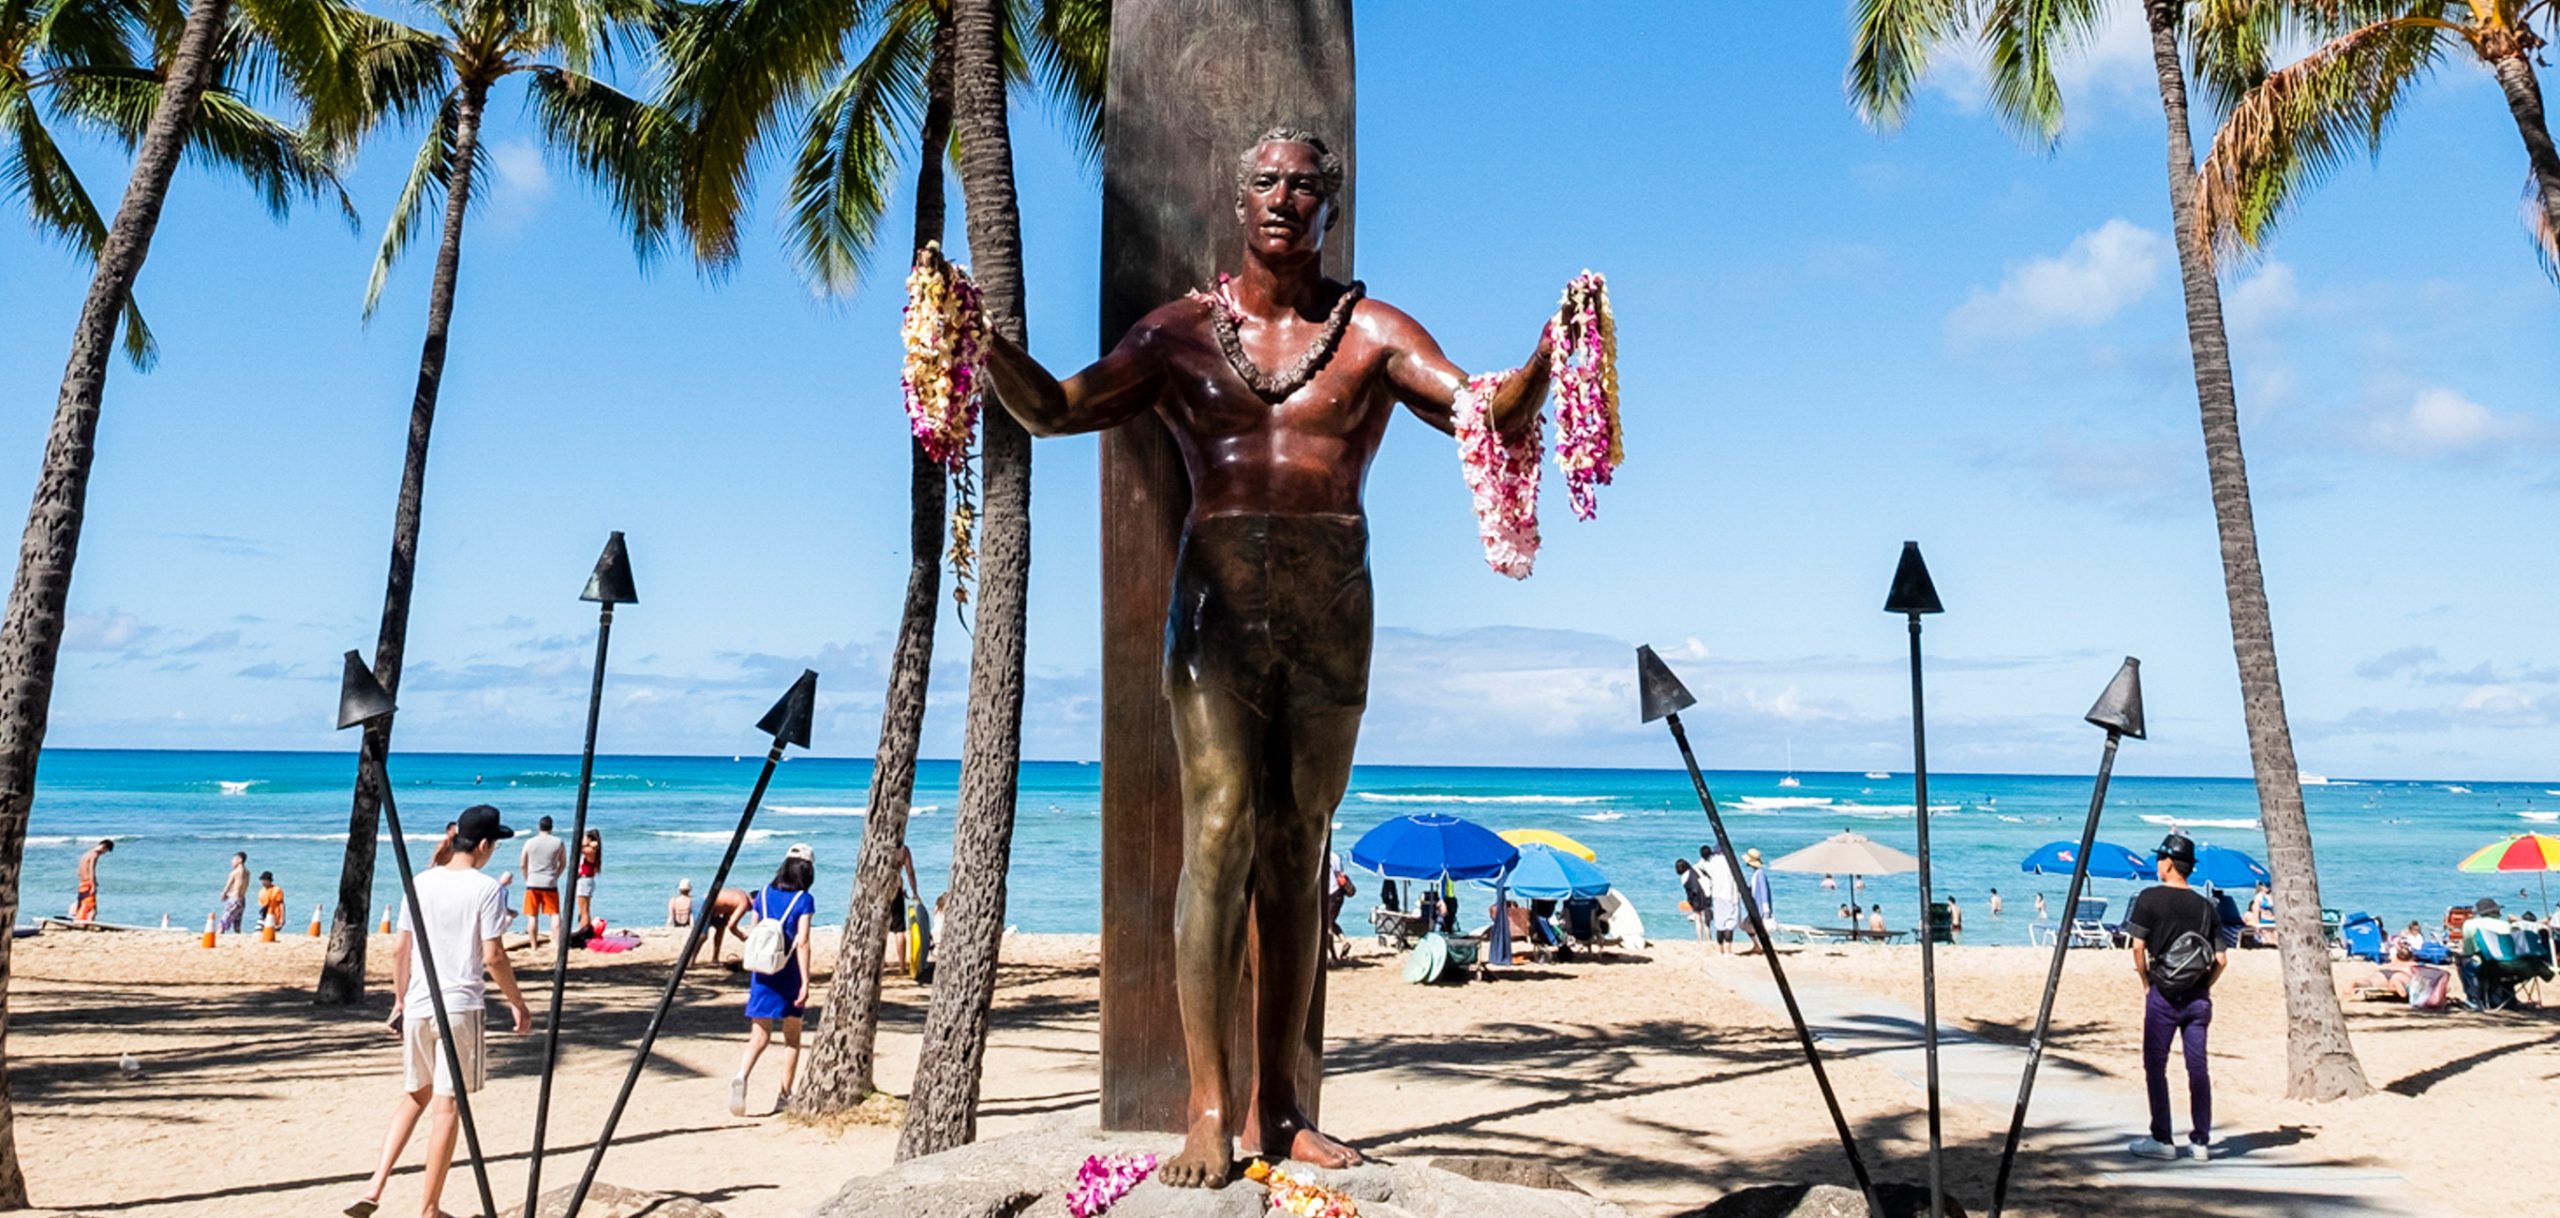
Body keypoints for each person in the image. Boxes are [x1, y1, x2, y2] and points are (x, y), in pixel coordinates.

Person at [973, 127, 1559, 1187]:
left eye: (1304, 186)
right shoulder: (1178, 335)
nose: (1283, 199)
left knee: (1299, 845)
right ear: (1237, 201)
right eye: (1265, 183)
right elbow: (1057, 408)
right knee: (1221, 828)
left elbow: (1483, 410)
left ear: (1330, 206)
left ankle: (1279, 1107)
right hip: (1216, 604)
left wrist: (1555, 350)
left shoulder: (1375, 331)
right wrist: (976, 342)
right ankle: (1206, 1108)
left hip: (1333, 602)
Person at [349, 805, 530, 1218]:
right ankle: (429, 1208)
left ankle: (375, 1185)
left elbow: (400, 948)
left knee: (415, 1095)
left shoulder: (421, 882)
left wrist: (398, 1001)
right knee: (448, 1106)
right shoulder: (485, 889)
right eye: (494, 845)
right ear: (484, 845)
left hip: (417, 1004)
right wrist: (517, 1002)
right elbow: (494, 956)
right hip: (460, 1007)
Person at [2124, 832, 2226, 1161]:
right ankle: (2201, 1142)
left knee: (2156, 1065)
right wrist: (2205, 985)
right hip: (2198, 997)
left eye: (2159, 859)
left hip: (2163, 994)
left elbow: (2138, 948)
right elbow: (2221, 959)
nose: (2157, 864)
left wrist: (2145, 981)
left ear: (2168, 864)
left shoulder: (2149, 898)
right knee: (2198, 1068)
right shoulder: (2206, 906)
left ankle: (2163, 1139)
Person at [732, 851, 816, 1116]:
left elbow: (755, 931)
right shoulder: (804, 900)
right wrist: (805, 980)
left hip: (763, 970)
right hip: (788, 971)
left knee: (759, 1035)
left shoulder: (765, 894)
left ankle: (742, 1075)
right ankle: (783, 1095)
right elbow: (802, 941)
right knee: (792, 1039)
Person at [2457, 897, 2516, 1010]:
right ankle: (2503, 996)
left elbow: (2468, 950)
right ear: (2494, 911)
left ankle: (2473, 999)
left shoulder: (2470, 924)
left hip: (2485, 965)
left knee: (2465, 962)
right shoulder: (2506, 925)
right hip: (2508, 966)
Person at [518, 816, 567, 950]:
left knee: (532, 916)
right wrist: (556, 875)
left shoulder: (530, 842)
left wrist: (526, 877)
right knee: (555, 914)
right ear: (551, 827)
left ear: (539, 827)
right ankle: (557, 944)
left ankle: (533, 946)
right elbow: (563, 863)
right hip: (550, 882)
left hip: (533, 881)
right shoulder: (558, 842)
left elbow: (522, 863)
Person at [692, 887, 755, 969]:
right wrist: (743, 937)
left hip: (711, 908)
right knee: (703, 936)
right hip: (703, 904)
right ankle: (690, 960)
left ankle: (715, 959)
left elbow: (727, 915)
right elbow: (732, 926)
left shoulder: (741, 895)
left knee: (721, 927)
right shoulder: (744, 902)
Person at [887, 843, 922, 972]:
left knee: (879, 929)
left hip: (879, 891)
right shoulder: (903, 850)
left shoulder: (881, 846)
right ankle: (902, 966)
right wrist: (915, 892)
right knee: (899, 930)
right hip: (896, 889)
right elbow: (910, 871)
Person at [1705, 849, 1740, 953]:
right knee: (1729, 924)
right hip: (1729, 894)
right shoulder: (1730, 860)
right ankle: (1728, 950)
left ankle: (1720, 950)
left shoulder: (1712, 862)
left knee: (1719, 924)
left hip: (1717, 895)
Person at [1740, 848, 1773, 954]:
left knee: (1754, 926)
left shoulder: (1760, 874)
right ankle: (1757, 945)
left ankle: (1762, 946)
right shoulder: (1756, 873)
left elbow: (1763, 891)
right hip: (1755, 906)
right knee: (1747, 925)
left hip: (1759, 907)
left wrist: (1766, 908)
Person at [73, 839, 111, 922]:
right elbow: (91, 870)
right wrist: (93, 885)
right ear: (104, 847)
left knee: (81, 905)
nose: (103, 853)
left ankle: (79, 920)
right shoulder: (95, 854)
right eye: (105, 851)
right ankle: (90, 924)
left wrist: (82, 880)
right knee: (93, 909)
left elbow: (79, 871)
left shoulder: (86, 853)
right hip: (88, 883)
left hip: (82, 882)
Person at [574, 830, 603, 934]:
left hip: (585, 880)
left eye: (585, 837)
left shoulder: (590, 850)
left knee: (583, 910)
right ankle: (586, 930)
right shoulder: (593, 850)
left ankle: (583, 931)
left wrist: (587, 842)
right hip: (587, 880)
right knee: (584, 909)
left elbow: (578, 847)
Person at [1675, 859, 1711, 940]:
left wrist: (1689, 901)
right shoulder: (1694, 870)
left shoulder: (1684, 877)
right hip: (1705, 895)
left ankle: (1700, 939)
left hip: (1696, 899)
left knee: (1698, 920)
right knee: (1706, 921)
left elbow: (1690, 891)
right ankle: (1708, 939)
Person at [217, 852, 250, 934]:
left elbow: (228, 887)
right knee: (237, 924)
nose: (232, 862)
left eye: (234, 859)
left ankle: (218, 937)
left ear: (240, 860)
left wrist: (224, 894)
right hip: (242, 900)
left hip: (234, 900)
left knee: (223, 922)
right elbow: (241, 887)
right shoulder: (247, 872)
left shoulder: (235, 872)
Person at [2246, 882, 2277, 947]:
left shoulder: (2275, 894)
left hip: (2275, 921)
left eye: (2268, 885)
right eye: (2264, 885)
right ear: (2261, 886)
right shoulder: (2259, 897)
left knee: (2277, 941)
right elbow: (2256, 912)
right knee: (2269, 942)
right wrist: (2257, 925)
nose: (2266, 887)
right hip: (2265, 921)